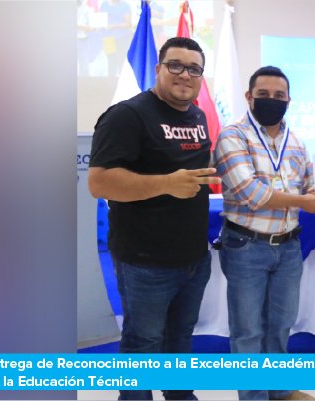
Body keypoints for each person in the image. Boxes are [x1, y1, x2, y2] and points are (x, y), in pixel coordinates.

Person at [88, 37, 220, 400]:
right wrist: (166, 184)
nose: (185, 74)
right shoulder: (127, 115)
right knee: (142, 342)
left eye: (194, 69)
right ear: (159, 68)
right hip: (145, 261)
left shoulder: (195, 115)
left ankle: (179, 395)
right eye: (175, 65)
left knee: (180, 338)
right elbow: (99, 183)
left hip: (193, 257)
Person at [213, 66, 315, 401]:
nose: (272, 101)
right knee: (247, 331)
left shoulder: (297, 143)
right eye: (263, 95)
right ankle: (254, 397)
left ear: (289, 100)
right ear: (249, 97)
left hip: (288, 247)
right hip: (246, 246)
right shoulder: (233, 135)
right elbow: (250, 193)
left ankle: (280, 389)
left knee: (280, 325)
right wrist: (304, 200)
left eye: (279, 96)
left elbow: (311, 186)